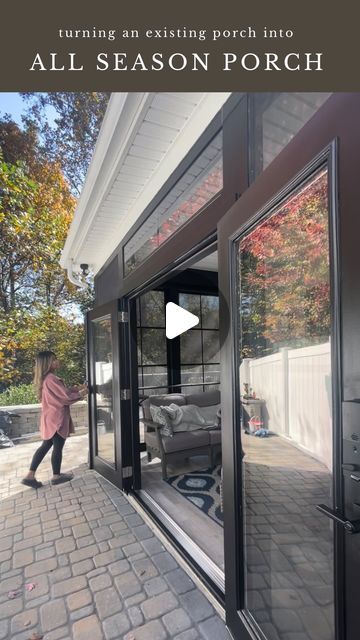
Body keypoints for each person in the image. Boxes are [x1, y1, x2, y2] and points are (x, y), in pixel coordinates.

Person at [21, 351, 87, 489]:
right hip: (57, 419)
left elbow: (62, 393)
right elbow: (65, 398)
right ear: (48, 363)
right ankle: (56, 476)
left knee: (46, 446)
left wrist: (75, 389)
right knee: (57, 447)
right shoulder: (51, 379)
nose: (57, 361)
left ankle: (30, 476)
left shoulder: (47, 378)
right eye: (54, 359)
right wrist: (82, 393)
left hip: (50, 418)